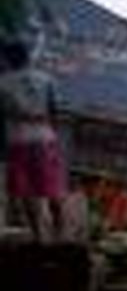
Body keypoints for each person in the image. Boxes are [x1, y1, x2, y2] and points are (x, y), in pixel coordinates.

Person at [0, 40, 68, 242]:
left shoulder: (3, 82)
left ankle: (38, 237)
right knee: (53, 188)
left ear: (7, 59)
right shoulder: (45, 79)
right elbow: (55, 110)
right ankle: (60, 235)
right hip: (45, 138)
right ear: (27, 57)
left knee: (26, 191)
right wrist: (52, 133)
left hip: (17, 141)